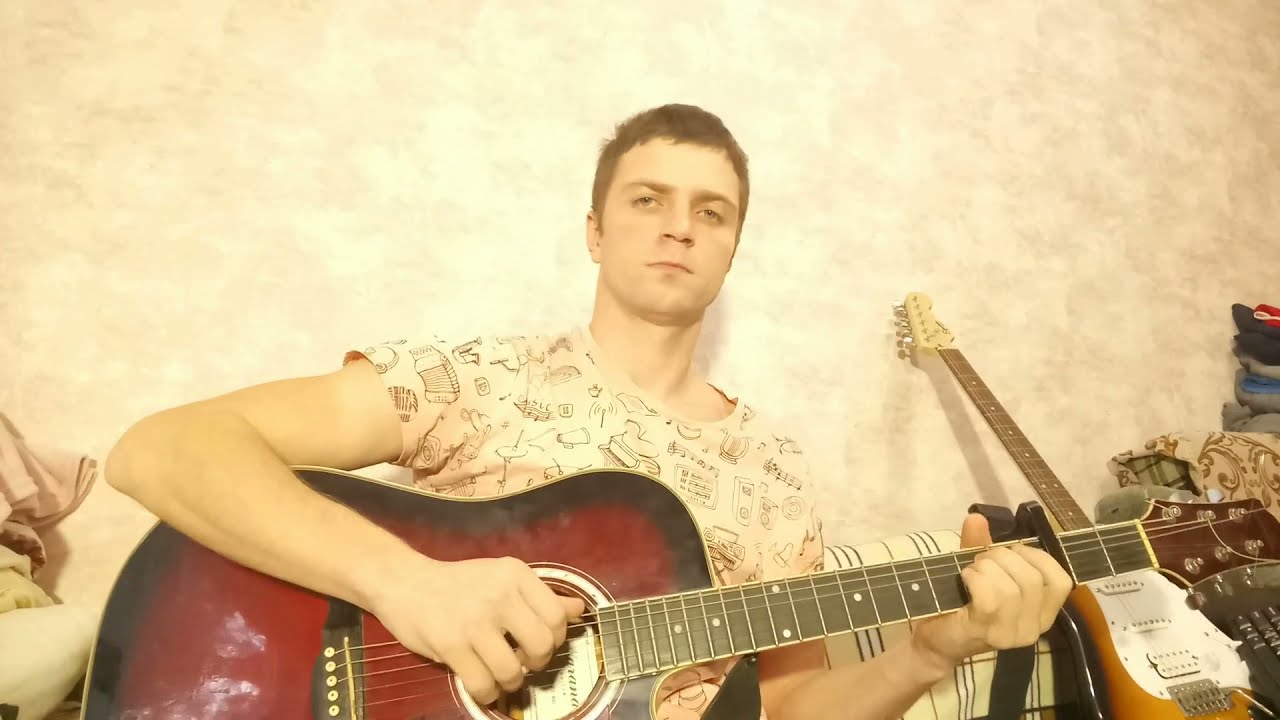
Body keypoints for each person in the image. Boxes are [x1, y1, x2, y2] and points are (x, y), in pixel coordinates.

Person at [105, 103, 1073, 720]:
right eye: (648, 199)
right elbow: (162, 449)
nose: (679, 227)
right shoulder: (477, 376)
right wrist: (409, 585)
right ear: (595, 231)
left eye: (711, 211)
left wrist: (932, 650)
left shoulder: (774, 468)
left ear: (732, 249)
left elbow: (789, 706)